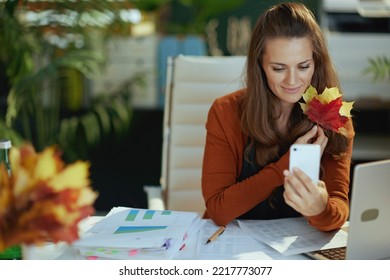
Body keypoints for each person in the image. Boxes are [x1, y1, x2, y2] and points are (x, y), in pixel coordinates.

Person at [201, 2, 355, 232]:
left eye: (303, 66)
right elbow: (218, 210)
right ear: (260, 66)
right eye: (279, 68)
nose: (292, 81)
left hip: (295, 250)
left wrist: (320, 209)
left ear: (316, 63)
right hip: (232, 245)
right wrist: (287, 166)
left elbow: (338, 209)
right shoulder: (226, 112)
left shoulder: (332, 115)